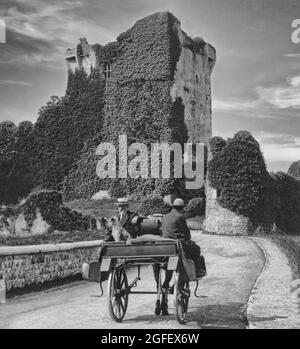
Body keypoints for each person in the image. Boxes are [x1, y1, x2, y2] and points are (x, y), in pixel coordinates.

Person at [155, 198, 206, 315]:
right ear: (182, 208)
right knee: (196, 248)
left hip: (164, 246)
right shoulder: (180, 217)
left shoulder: (165, 216)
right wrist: (187, 239)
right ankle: (198, 270)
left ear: (173, 207)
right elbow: (187, 234)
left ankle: (166, 289)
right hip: (176, 245)